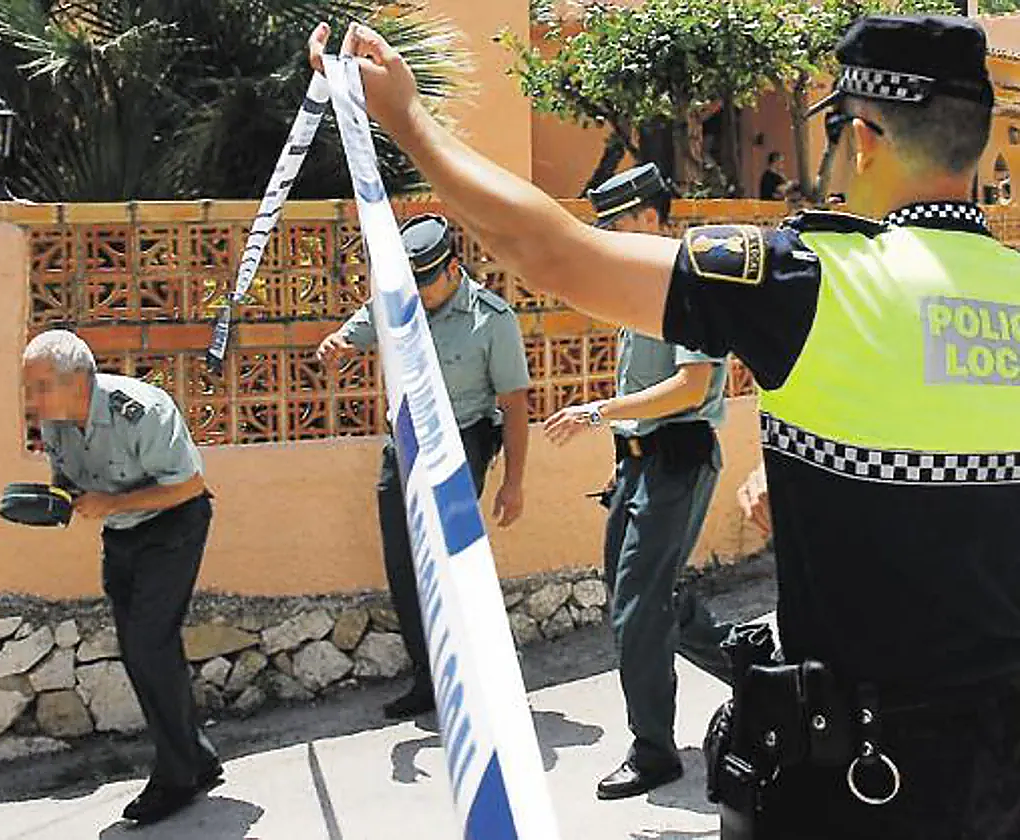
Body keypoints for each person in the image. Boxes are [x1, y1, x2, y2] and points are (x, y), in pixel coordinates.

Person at [307, 14, 1020, 838]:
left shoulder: (808, 280)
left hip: (857, 783)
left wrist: (408, 119)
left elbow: (555, 253)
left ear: (861, 140)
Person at [543, 162, 732, 799]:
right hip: (639, 462)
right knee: (647, 598)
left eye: (616, 225)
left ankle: (653, 750)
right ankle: (760, 675)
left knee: (639, 607)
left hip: (677, 458)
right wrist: (619, 440)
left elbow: (691, 386)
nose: (608, 239)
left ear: (650, 217)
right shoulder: (640, 284)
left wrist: (598, 411)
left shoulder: (692, 285)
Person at [316, 213, 530, 719]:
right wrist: (337, 344)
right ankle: (428, 678)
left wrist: (514, 484)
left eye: (427, 283)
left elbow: (515, 405)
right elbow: (353, 332)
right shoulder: (399, 302)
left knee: (452, 563)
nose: (420, 293)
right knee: (404, 564)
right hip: (406, 445)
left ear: (453, 268)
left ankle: (481, 673)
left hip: (462, 442)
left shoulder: (491, 320)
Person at [22, 330, 221, 826]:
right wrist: (55, 501)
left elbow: (189, 485)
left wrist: (111, 503)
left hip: (174, 523)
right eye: (29, 387)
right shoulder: (55, 423)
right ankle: (196, 756)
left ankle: (176, 779)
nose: (32, 399)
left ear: (77, 382)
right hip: (123, 533)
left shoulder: (141, 411)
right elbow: (68, 480)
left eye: (40, 386)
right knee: (144, 647)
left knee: (148, 645)